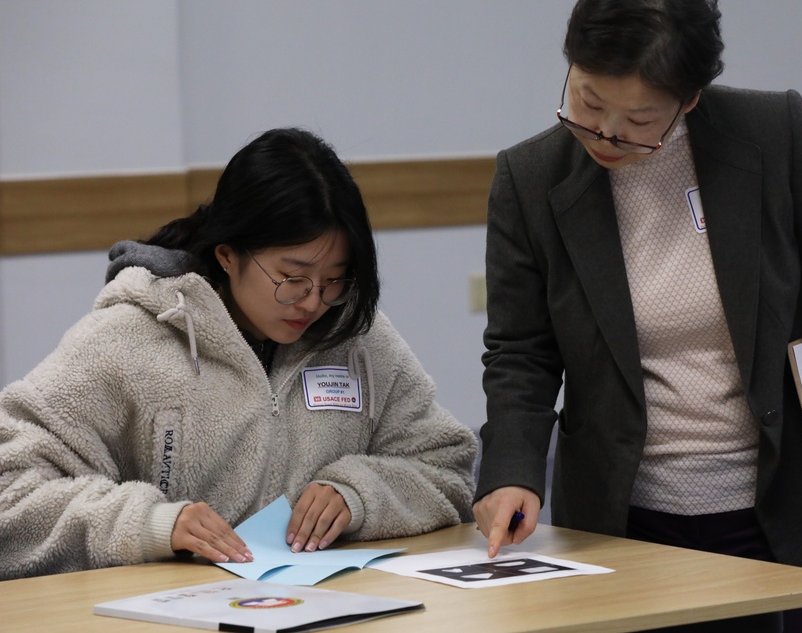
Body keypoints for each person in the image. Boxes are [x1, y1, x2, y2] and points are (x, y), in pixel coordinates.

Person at [472, 0, 802, 631]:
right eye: (588, 101)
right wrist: (511, 469)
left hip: (782, 503)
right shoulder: (530, 178)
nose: (604, 134)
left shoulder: (773, 134)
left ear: (690, 100)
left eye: (639, 119)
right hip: (626, 518)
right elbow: (521, 353)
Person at [0, 127, 478, 579]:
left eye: (334, 279)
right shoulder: (127, 338)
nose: (313, 301)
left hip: (331, 610)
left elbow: (448, 466)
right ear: (229, 256)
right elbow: (9, 495)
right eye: (292, 278)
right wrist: (151, 525)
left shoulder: (357, 338)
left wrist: (359, 494)